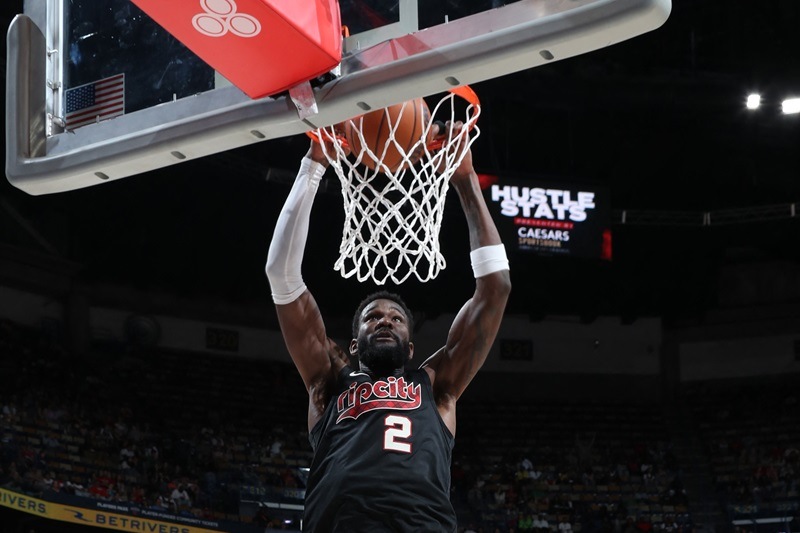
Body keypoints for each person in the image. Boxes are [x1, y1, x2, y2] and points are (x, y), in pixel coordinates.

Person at [266, 122, 511, 532]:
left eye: (396, 319)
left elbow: (496, 288)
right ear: (355, 344)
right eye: (373, 318)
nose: (385, 321)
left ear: (411, 348)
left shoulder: (437, 387)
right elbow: (282, 276)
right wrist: (313, 164)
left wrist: (466, 178)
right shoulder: (329, 382)